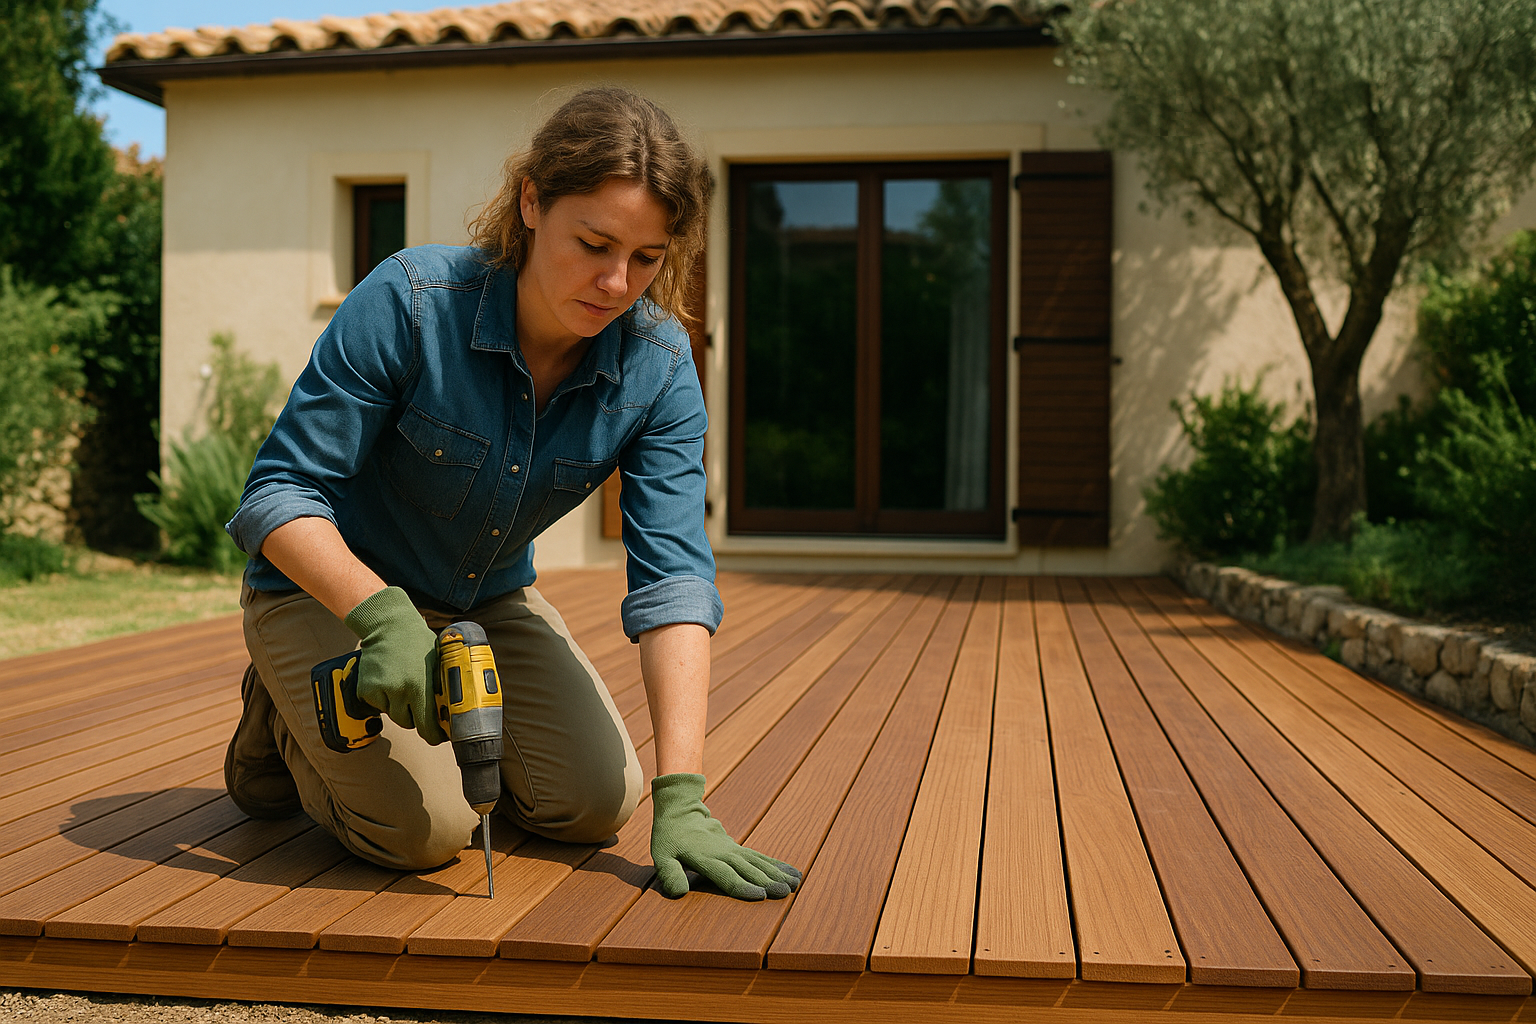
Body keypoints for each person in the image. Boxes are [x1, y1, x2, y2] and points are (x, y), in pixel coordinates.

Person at [222, 86, 800, 903]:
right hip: (332, 593)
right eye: (594, 243)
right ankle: (281, 713)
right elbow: (279, 492)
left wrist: (684, 795)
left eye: (646, 258)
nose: (615, 283)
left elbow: (673, 579)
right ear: (531, 202)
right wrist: (382, 619)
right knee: (427, 832)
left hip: (484, 601)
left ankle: (397, 723)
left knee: (597, 803)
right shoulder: (412, 301)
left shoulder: (660, 367)